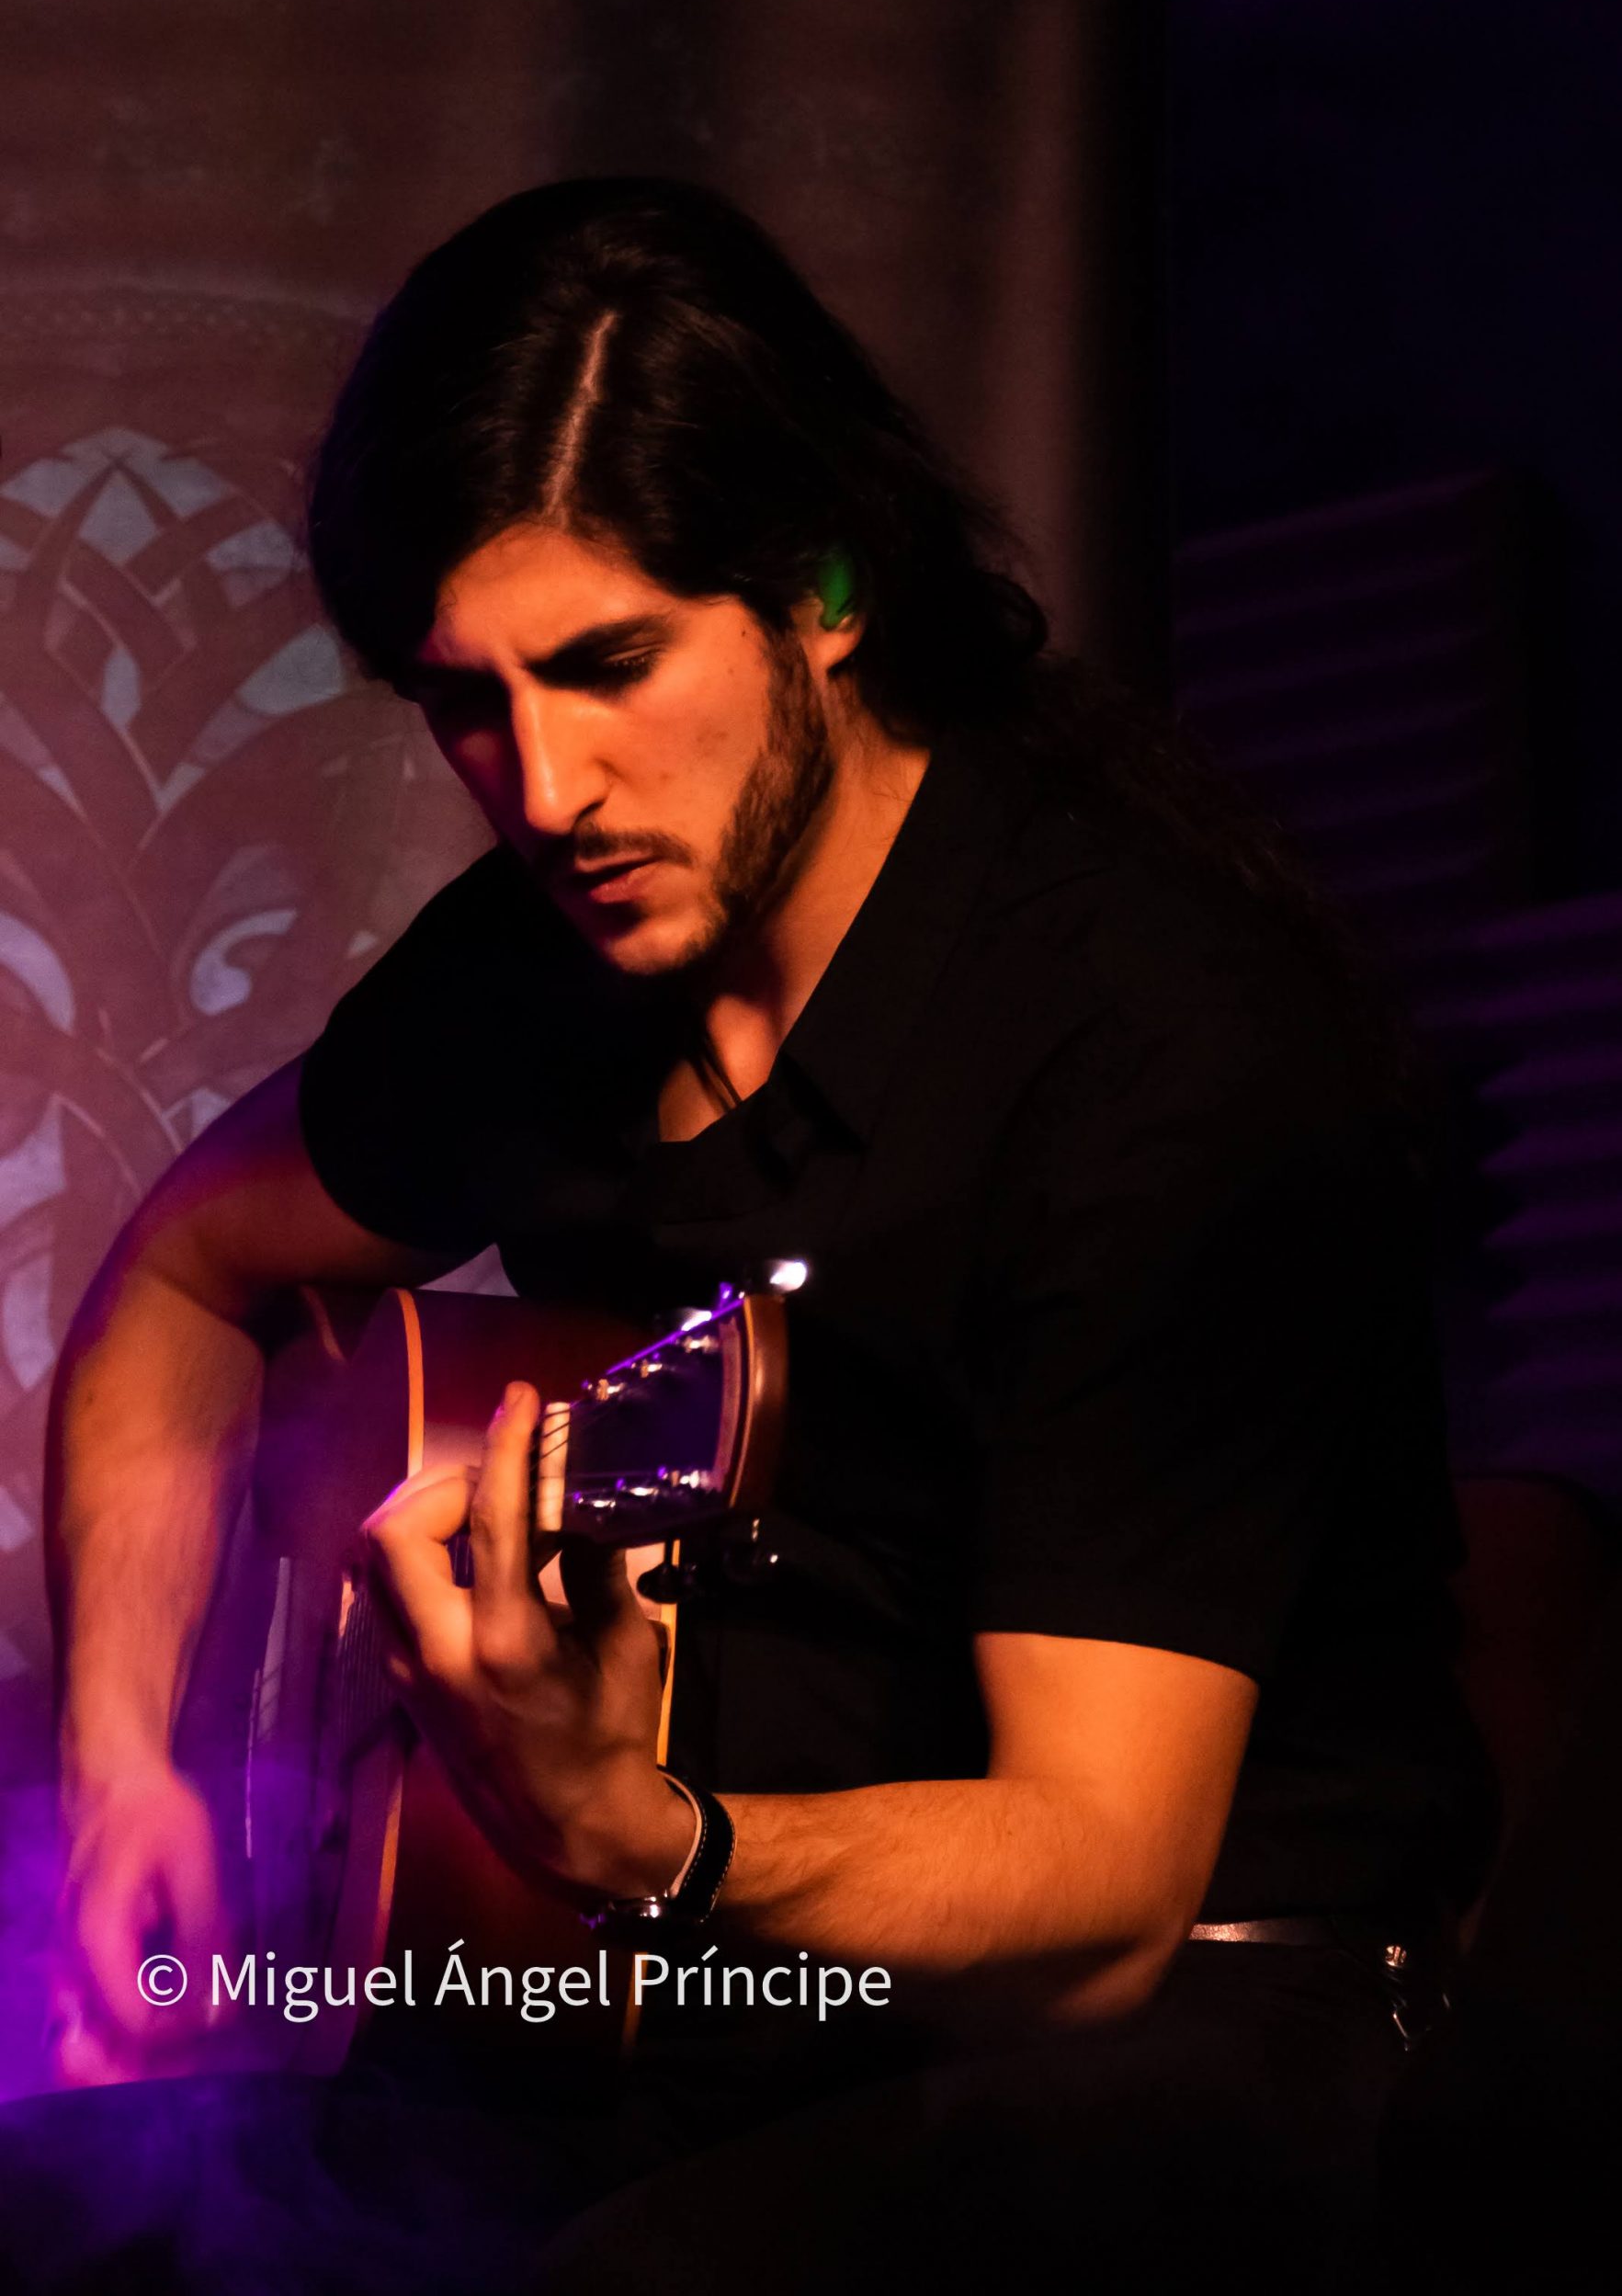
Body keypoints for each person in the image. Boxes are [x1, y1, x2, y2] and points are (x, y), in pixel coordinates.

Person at [11, 177, 1494, 2290]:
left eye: (607, 665)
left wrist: (637, 1829)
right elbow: (182, 1277)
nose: (544, 786)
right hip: (698, 1983)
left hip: (1189, 2024)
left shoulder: (1155, 1053)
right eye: (465, 700)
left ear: (824, 587)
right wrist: (124, 1770)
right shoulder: (548, 970)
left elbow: (1101, 1880)